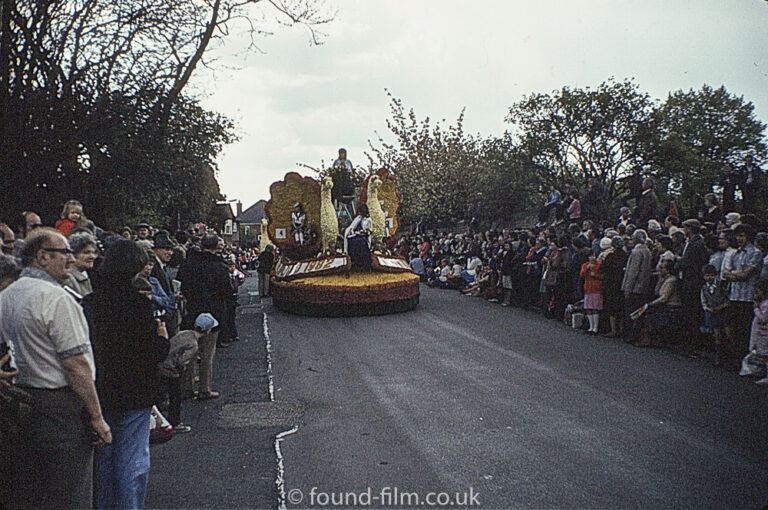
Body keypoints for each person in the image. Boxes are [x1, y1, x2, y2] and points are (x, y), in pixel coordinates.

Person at [0, 228, 111, 508]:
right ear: (42, 257)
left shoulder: (8, 295)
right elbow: (74, 363)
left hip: (19, 404)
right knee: (70, 492)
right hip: (60, 407)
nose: (71, 260)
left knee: (31, 492)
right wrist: (96, 416)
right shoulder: (56, 298)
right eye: (65, 253)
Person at [82, 239, 169, 509]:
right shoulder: (139, 305)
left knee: (104, 459)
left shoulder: (89, 303)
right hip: (135, 391)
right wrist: (163, 339)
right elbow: (152, 351)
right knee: (132, 460)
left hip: (100, 389)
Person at [156, 313, 217, 433]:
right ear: (208, 331)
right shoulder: (193, 345)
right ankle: (175, 422)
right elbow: (181, 361)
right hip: (170, 370)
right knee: (176, 398)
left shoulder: (184, 333)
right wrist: (181, 370)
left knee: (160, 394)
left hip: (160, 364)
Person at [637, 259, 682, 347]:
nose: (659, 270)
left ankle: (648, 339)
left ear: (668, 270)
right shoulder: (665, 279)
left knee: (649, 313)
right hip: (664, 305)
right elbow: (657, 293)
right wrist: (660, 282)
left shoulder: (671, 281)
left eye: (662, 268)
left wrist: (651, 304)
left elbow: (664, 298)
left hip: (671, 306)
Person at [622, 229, 653, 343]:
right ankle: (636, 335)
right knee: (639, 313)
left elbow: (633, 272)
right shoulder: (648, 251)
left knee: (631, 313)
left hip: (635, 287)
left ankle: (630, 335)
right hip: (644, 286)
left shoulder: (636, 252)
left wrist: (627, 288)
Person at [700, 264, 730, 366]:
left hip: (723, 311)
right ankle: (718, 357)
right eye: (707, 275)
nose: (709, 278)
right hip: (712, 313)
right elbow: (704, 302)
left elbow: (727, 299)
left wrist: (721, 307)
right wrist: (708, 308)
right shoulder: (704, 288)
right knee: (716, 335)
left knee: (727, 333)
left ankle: (730, 355)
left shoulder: (721, 285)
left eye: (711, 275)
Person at [63, 231, 98, 298]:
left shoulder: (88, 275)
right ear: (73, 254)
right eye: (86, 252)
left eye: (93, 253)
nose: (92, 256)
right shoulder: (68, 279)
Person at [580, 250, 604, 335]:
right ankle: (591, 326)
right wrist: (587, 268)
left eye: (594, 256)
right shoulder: (585, 265)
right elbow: (582, 274)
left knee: (595, 308)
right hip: (588, 288)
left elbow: (603, 276)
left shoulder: (599, 265)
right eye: (590, 256)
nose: (592, 258)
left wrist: (596, 275)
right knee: (589, 308)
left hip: (596, 289)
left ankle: (595, 328)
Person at [345, 203, 372, 269]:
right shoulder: (358, 218)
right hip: (355, 235)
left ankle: (361, 262)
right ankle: (353, 260)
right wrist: (350, 232)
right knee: (351, 240)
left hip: (363, 237)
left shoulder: (368, 220)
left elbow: (369, 231)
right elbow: (352, 226)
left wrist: (363, 232)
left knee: (360, 242)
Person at [331, 148, 356, 220]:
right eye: (341, 153)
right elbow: (334, 172)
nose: (342, 155)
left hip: (348, 184)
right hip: (339, 184)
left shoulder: (348, 162)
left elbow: (351, 172)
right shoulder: (336, 162)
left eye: (343, 153)